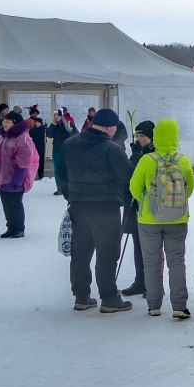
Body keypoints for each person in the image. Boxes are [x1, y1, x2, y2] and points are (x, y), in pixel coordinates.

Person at [57, 108, 134, 313]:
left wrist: (69, 192)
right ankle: (109, 298)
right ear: (110, 127)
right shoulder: (112, 149)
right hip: (105, 206)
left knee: (80, 252)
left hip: (78, 205)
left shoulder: (70, 143)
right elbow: (127, 177)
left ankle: (81, 296)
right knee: (107, 252)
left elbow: (61, 173)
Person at [130, 119, 194, 318]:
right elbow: (190, 188)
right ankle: (179, 306)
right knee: (176, 261)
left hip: (149, 220)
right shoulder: (182, 160)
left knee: (151, 262)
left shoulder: (147, 160)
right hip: (177, 219)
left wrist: (146, 201)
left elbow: (134, 187)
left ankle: (154, 305)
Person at [0, 111, 39, 239]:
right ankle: (10, 227)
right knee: (6, 204)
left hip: (15, 178)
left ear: (15, 123)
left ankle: (19, 228)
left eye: (8, 122)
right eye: (4, 121)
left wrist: (17, 181)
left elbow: (24, 161)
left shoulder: (22, 138)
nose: (5, 124)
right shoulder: (4, 136)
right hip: (4, 176)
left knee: (15, 203)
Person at [120, 120, 156, 298]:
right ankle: (140, 281)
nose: (139, 139)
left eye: (143, 136)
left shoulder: (153, 154)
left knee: (151, 248)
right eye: (137, 136)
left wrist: (136, 156)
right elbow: (128, 175)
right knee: (138, 245)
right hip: (135, 206)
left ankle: (152, 283)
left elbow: (139, 175)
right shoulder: (139, 152)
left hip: (150, 208)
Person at [46, 109, 77, 195]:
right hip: (56, 149)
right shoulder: (54, 125)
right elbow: (49, 135)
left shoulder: (68, 123)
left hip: (67, 150)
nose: (56, 116)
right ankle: (59, 187)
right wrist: (52, 125)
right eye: (54, 115)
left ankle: (69, 186)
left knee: (67, 168)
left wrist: (69, 129)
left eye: (57, 114)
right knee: (57, 169)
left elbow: (75, 133)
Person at [27, 106, 47, 180]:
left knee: (41, 160)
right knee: (33, 160)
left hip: (41, 146)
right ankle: (33, 173)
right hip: (33, 146)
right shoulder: (29, 123)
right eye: (34, 113)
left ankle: (41, 173)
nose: (35, 114)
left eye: (36, 113)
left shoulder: (43, 129)